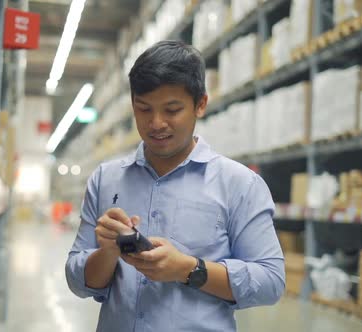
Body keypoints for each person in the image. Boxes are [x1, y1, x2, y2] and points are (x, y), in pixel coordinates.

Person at [65, 40, 285, 331]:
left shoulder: (239, 185)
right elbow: (78, 282)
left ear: (201, 104)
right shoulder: (106, 179)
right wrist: (107, 252)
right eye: (144, 109)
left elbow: (270, 281)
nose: (156, 123)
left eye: (172, 110)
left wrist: (188, 269)